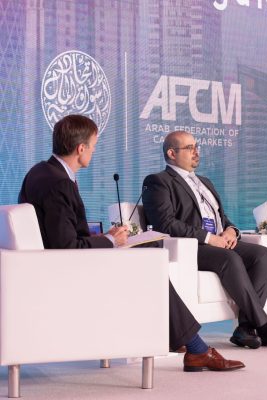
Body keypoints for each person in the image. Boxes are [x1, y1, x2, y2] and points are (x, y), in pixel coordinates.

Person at [19, 115, 244, 372]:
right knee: (148, 265)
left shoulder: (41, 171)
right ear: (80, 148)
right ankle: (196, 349)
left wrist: (107, 238)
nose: (94, 151)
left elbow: (61, 234)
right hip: (66, 270)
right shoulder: (60, 183)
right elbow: (67, 247)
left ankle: (189, 344)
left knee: (146, 252)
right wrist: (109, 240)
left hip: (50, 264)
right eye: (93, 146)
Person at [142, 131, 267, 349]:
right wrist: (209, 238)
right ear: (171, 153)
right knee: (230, 258)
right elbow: (165, 223)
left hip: (219, 241)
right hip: (192, 246)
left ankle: (245, 328)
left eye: (196, 146)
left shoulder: (205, 182)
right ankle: (264, 326)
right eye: (189, 148)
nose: (196, 151)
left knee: (262, 255)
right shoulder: (158, 181)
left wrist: (231, 231)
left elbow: (222, 218)